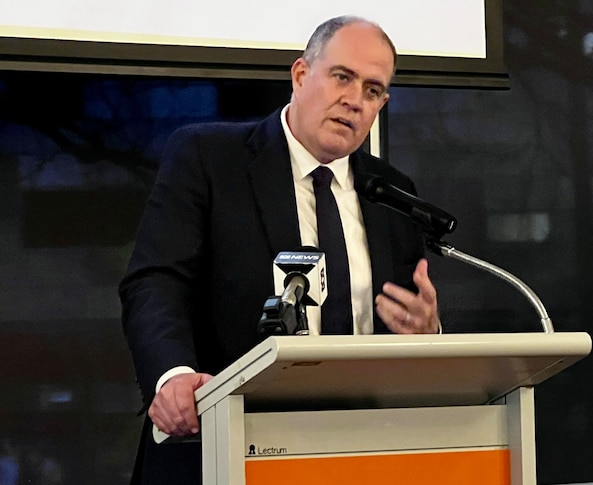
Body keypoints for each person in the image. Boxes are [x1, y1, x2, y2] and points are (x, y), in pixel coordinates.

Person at [119, 15, 441, 484]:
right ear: (300, 75)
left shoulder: (392, 193)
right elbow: (156, 282)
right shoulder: (209, 158)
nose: (354, 100)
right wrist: (172, 375)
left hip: (359, 455)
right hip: (223, 447)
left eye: (372, 90)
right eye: (342, 77)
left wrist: (428, 334)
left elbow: (409, 321)